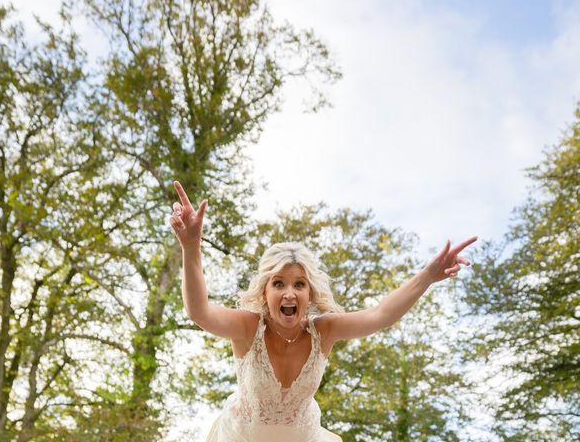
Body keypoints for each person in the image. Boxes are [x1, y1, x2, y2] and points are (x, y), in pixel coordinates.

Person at [169, 181, 477, 442]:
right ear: (265, 292)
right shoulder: (248, 328)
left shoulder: (323, 331)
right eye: (279, 283)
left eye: (299, 284)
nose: (289, 292)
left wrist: (427, 276)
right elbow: (200, 312)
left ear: (309, 293)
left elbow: (381, 314)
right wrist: (191, 246)